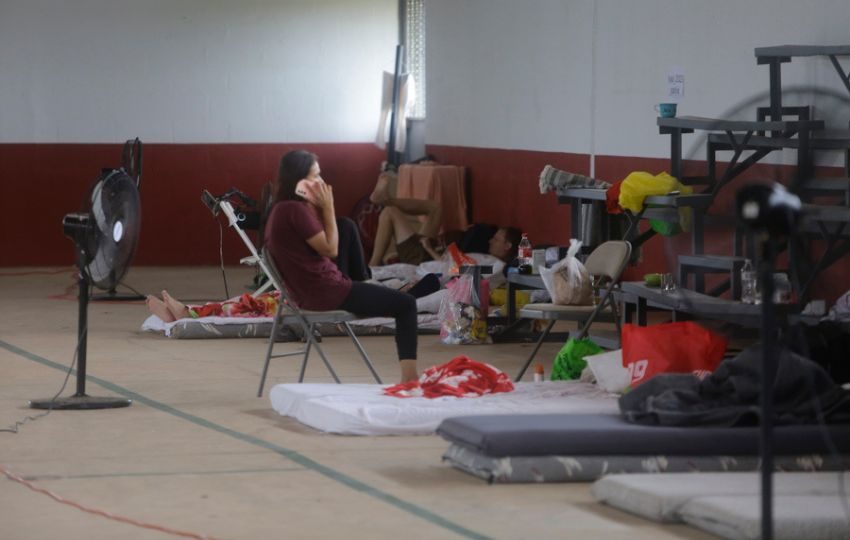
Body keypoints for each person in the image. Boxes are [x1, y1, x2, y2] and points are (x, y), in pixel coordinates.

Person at [265, 150, 420, 382]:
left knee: (346, 226)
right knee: (406, 304)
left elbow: (327, 240)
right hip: (326, 293)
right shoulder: (294, 210)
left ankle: (364, 281)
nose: (321, 182)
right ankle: (410, 378)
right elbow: (331, 249)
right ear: (299, 181)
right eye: (315, 176)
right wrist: (328, 207)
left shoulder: (282, 208)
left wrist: (319, 208)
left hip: (313, 291)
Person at [368, 171, 444, 266]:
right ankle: (387, 200)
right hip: (428, 251)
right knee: (435, 208)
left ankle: (372, 266)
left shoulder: (463, 268)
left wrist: (429, 249)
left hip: (421, 258)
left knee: (389, 212)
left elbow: (450, 268)